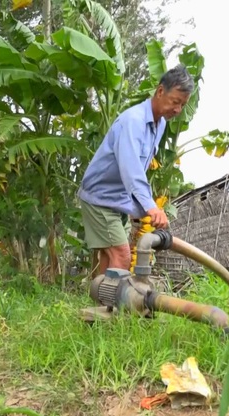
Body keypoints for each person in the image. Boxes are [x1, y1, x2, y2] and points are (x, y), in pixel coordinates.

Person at [78, 64, 194, 278]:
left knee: (109, 256)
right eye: (175, 102)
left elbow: (141, 168)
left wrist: (139, 209)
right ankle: (116, 308)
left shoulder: (159, 125)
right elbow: (131, 169)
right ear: (160, 92)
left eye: (183, 105)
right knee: (122, 255)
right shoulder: (133, 122)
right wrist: (151, 207)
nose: (178, 110)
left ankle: (101, 306)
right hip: (100, 197)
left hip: (117, 200)